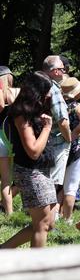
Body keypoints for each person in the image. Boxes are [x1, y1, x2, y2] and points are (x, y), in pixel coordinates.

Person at [0, 72, 57, 248]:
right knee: (42, 225)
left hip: (42, 170)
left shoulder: (34, 110)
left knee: (48, 223)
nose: (49, 95)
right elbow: (33, 151)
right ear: (36, 92)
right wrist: (47, 128)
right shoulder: (21, 114)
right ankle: (37, 269)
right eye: (47, 91)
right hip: (30, 171)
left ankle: (4, 251)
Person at [42, 55, 72, 221]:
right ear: (54, 72)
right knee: (53, 183)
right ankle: (48, 219)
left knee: (44, 179)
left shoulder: (38, 86)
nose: (64, 72)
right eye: (62, 69)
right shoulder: (54, 90)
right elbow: (63, 121)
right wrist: (68, 138)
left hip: (41, 140)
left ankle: (42, 216)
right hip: (56, 142)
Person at [60, 77, 80, 223]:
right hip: (75, 149)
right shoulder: (76, 106)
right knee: (71, 187)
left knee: (58, 186)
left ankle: (54, 216)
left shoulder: (57, 106)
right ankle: (68, 219)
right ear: (77, 93)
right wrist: (78, 131)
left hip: (59, 148)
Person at [0, 65, 19, 214]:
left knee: (5, 179)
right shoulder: (18, 92)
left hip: (1, 137)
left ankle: (9, 212)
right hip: (18, 138)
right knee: (22, 176)